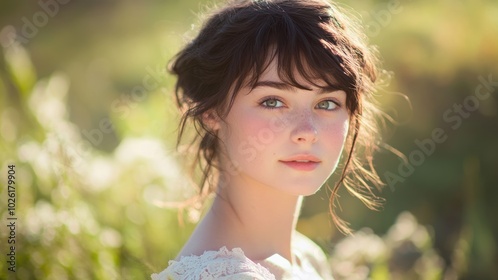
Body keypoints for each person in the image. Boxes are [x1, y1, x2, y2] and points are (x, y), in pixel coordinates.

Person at [152, 0, 387, 279]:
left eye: (326, 103)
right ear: (211, 112)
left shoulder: (306, 257)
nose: (307, 131)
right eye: (273, 102)